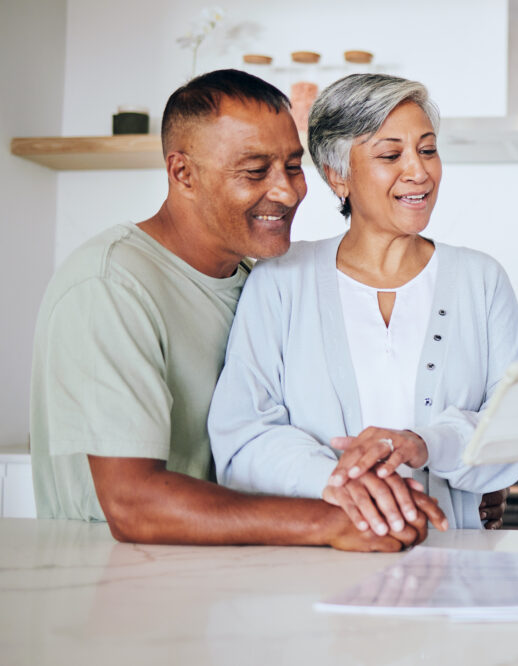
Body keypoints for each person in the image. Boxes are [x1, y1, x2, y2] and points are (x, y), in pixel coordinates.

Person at [30, 69, 442, 551]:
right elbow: (131, 503)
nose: (288, 192)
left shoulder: (258, 281)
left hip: (216, 582)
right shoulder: (109, 287)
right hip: (111, 584)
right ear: (183, 173)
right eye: (254, 171)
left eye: (293, 166)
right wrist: (330, 522)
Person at [208, 73, 518, 536]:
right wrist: (340, 482)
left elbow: (514, 427)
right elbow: (242, 438)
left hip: (453, 570)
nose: (419, 171)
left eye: (428, 149)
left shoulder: (481, 280)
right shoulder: (280, 280)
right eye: (390, 154)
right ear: (338, 175)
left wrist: (427, 444)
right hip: (316, 568)